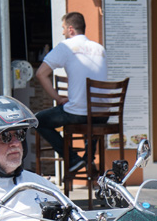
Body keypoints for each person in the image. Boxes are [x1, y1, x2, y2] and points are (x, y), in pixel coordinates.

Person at [35, 12, 108, 174]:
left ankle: (73, 159)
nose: (62, 33)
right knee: (88, 119)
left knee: (37, 120)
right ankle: (89, 160)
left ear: (71, 29)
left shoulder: (66, 46)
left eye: (63, 29)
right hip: (102, 115)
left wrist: (58, 98)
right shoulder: (100, 49)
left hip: (80, 114)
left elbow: (40, 74)